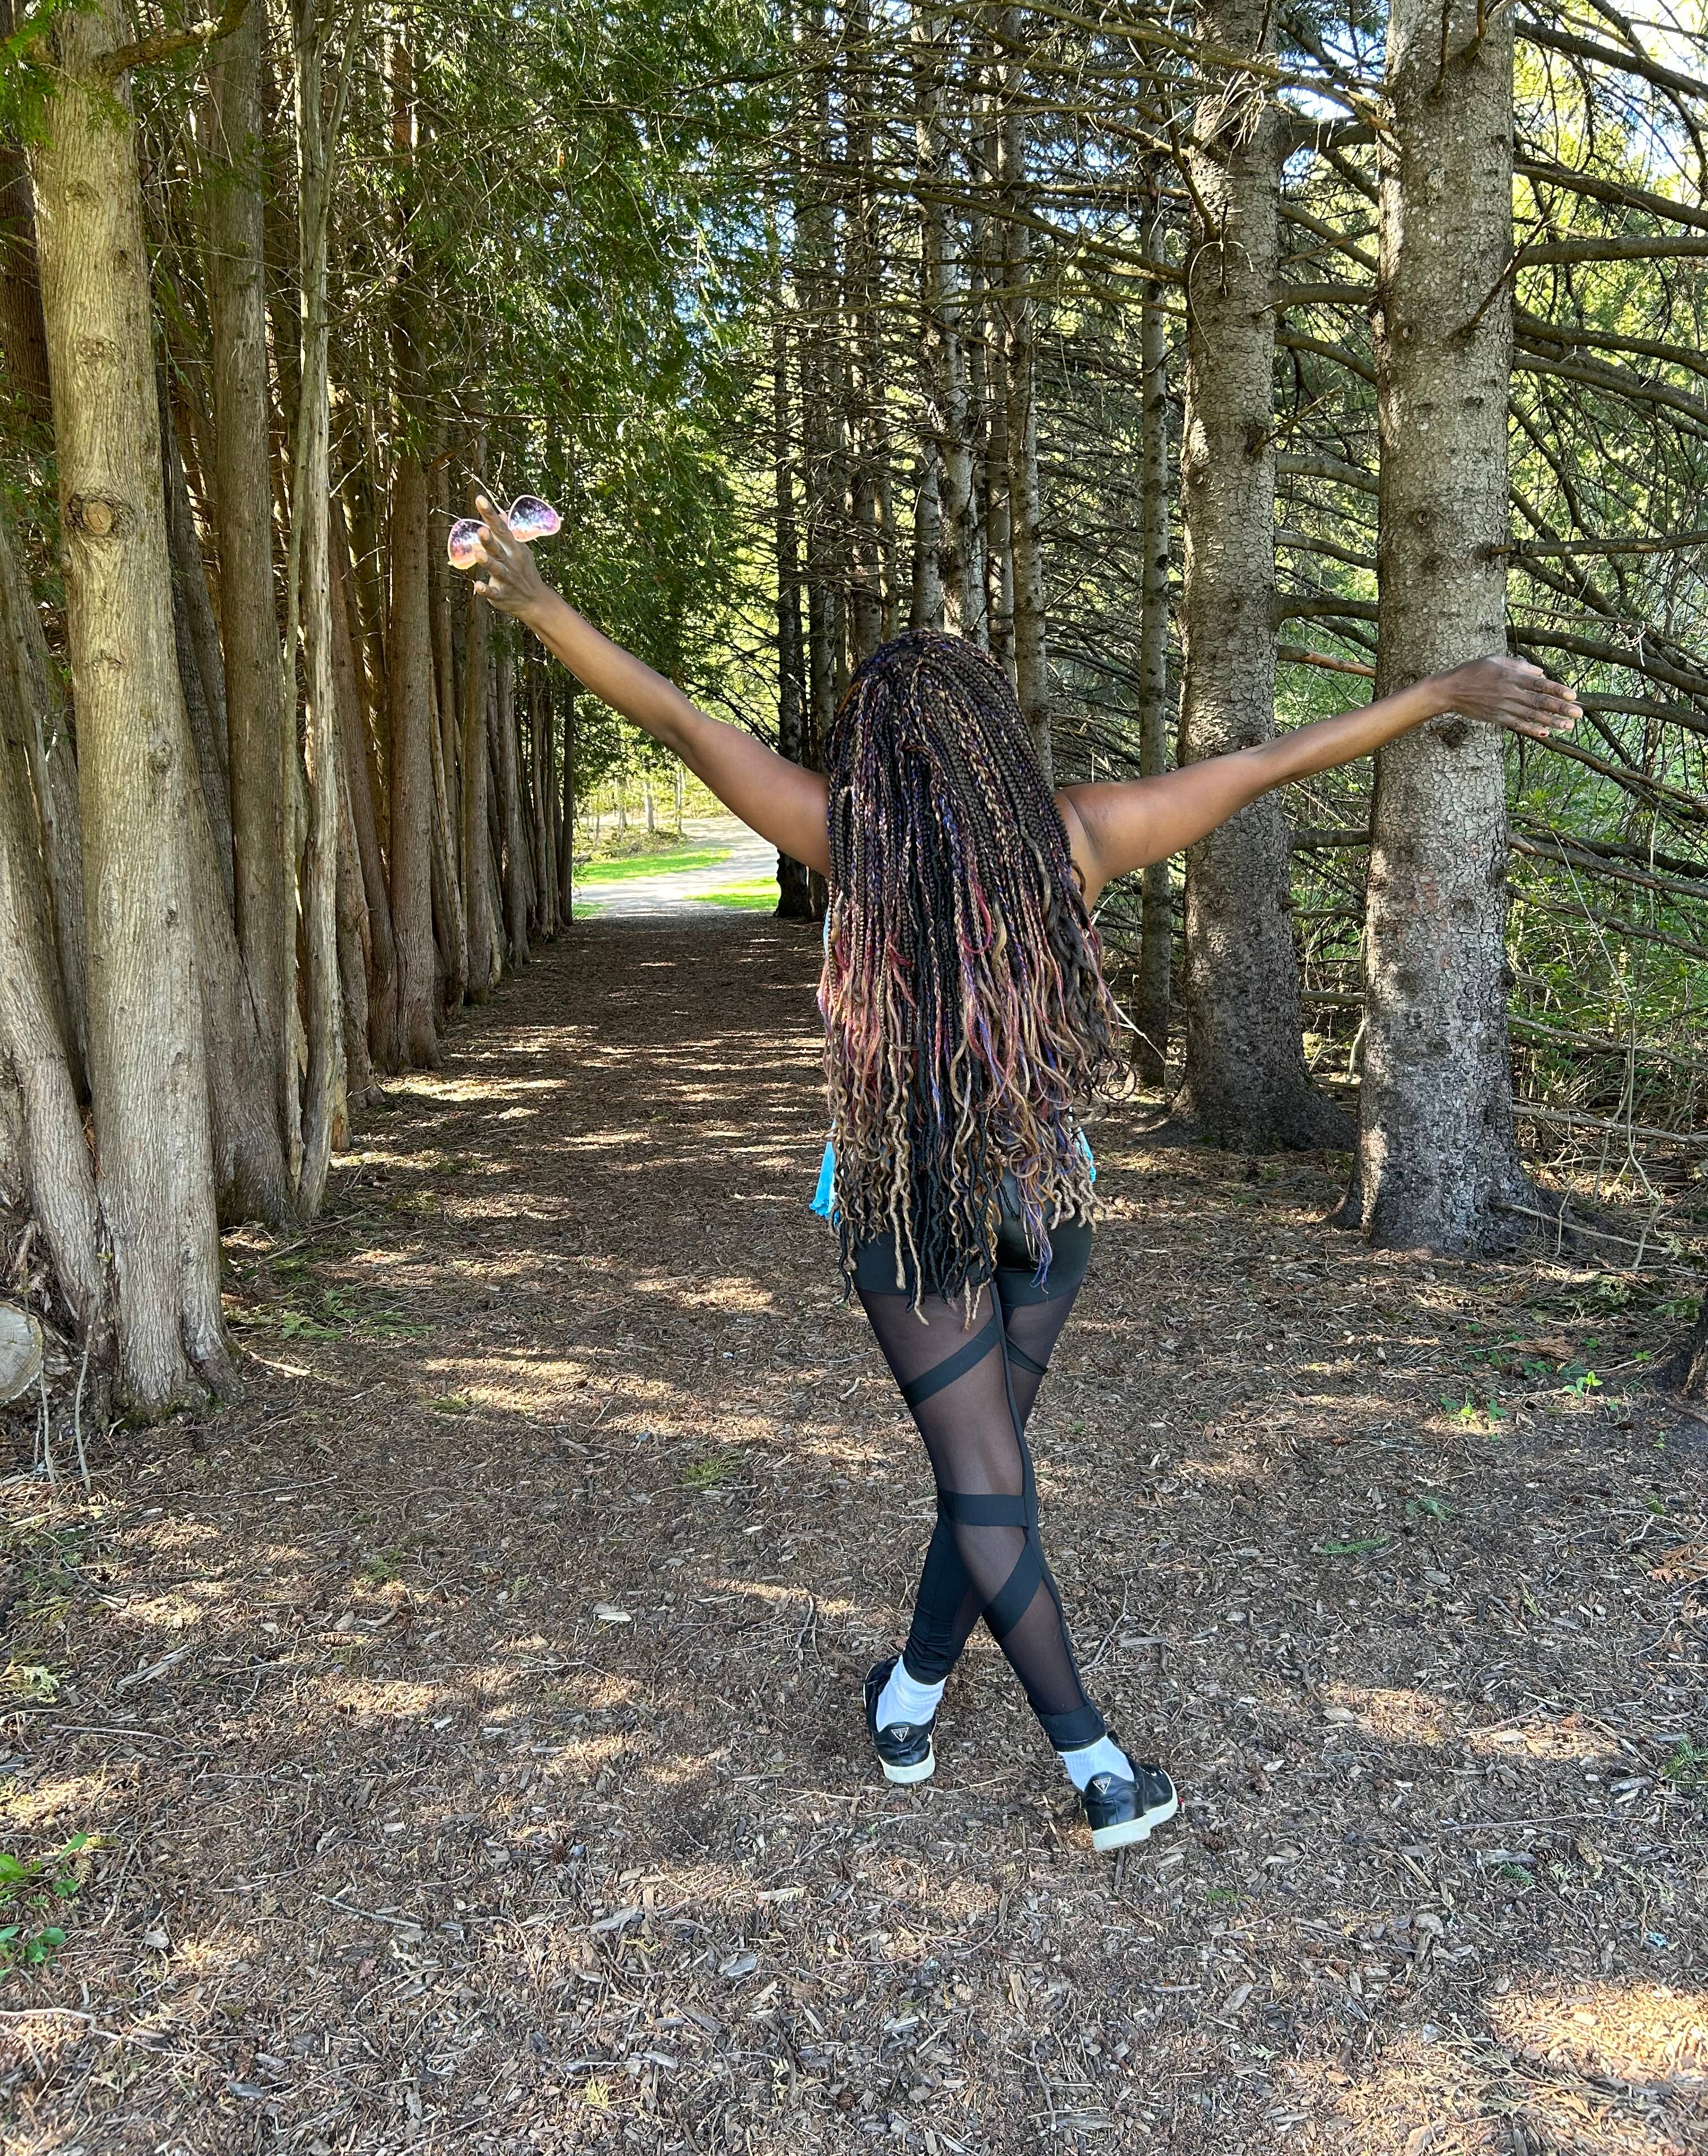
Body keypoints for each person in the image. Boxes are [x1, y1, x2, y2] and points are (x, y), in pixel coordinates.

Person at [464, 497, 1581, 1854]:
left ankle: (1098, 1763)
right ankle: (913, 1693)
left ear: (872, 753)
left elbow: (681, 721)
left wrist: (538, 607)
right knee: (983, 1479)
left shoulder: (842, 839)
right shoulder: (1081, 836)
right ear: (993, 742)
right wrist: (1435, 691)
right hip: (1044, 1202)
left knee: (983, 1479)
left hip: (906, 1213)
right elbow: (1273, 763)